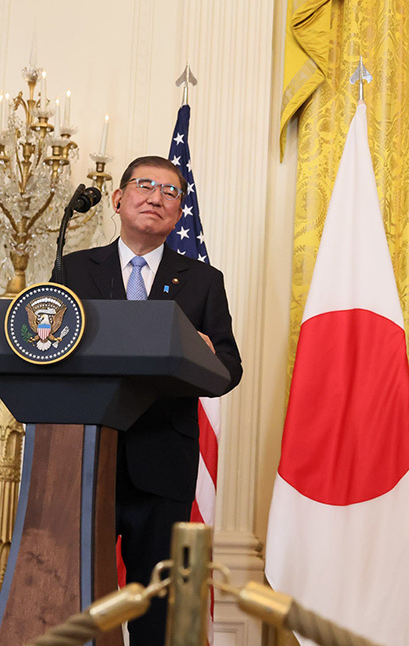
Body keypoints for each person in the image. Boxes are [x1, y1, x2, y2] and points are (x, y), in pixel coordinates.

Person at [63, 155, 242, 646]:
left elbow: (229, 369)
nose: (156, 198)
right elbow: (51, 348)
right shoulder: (75, 269)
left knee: (155, 606)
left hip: (162, 463)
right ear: (118, 200)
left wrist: (201, 354)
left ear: (179, 213)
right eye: (144, 186)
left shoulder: (204, 281)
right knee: (78, 597)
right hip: (86, 459)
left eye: (170, 192)